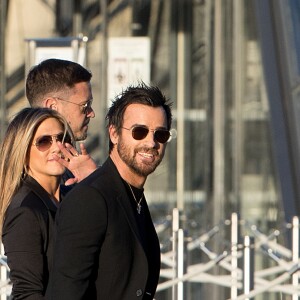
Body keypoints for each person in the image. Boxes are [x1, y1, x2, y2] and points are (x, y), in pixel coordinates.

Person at [46, 83, 173, 300]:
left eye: (160, 135)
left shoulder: (133, 197)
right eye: (139, 132)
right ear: (114, 134)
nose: (151, 143)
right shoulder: (90, 199)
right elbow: (65, 291)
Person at [0, 107, 75, 299]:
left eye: (62, 138)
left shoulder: (73, 196)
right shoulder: (25, 212)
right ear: (23, 152)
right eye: (44, 142)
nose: (57, 147)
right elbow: (27, 292)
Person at [26, 58, 98, 184]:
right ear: (52, 107)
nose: (91, 113)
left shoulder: (71, 169)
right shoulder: (26, 181)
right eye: (85, 105)